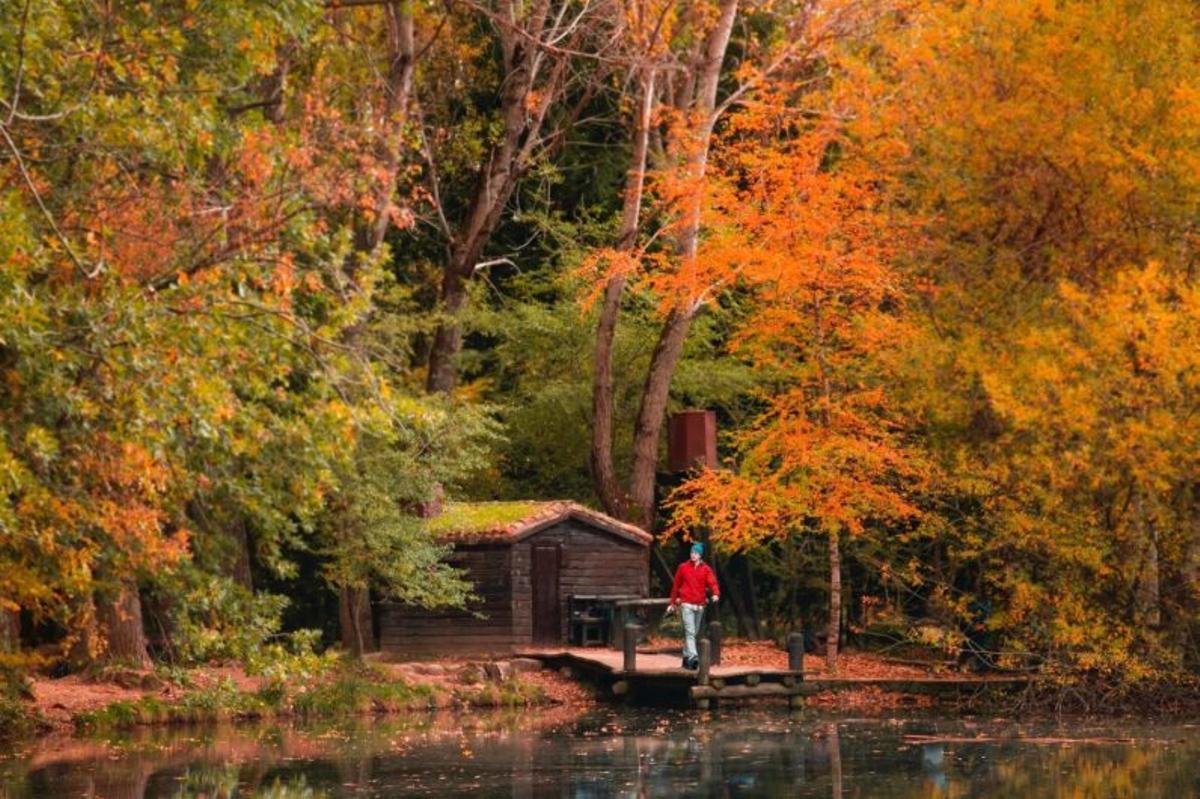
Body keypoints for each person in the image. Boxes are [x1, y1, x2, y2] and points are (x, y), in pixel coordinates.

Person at [667, 542, 720, 669]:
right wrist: (672, 602)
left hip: (699, 606)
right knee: (690, 632)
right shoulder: (683, 567)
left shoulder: (706, 569)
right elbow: (676, 585)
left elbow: (712, 582)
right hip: (686, 604)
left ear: (700, 555)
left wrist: (716, 593)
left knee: (693, 633)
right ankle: (694, 657)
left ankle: (686, 659)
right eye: (691, 552)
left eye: (695, 553)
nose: (693, 555)